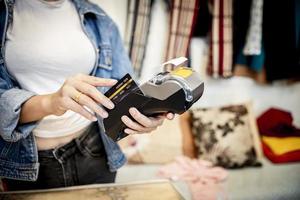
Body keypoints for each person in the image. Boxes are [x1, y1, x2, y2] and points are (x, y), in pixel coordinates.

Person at [0, 0, 174, 191]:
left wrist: (144, 113)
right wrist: (51, 102)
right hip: (25, 161)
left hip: (94, 149)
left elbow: (122, 90)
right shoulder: (7, 13)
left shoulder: (98, 18)